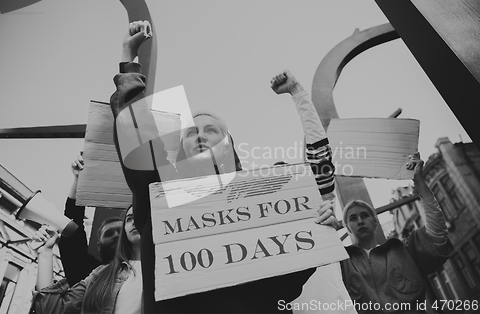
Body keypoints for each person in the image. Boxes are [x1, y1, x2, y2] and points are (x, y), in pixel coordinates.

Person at [109, 21, 344, 313]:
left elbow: (284, 285)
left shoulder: (262, 199)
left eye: (211, 130)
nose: (201, 136)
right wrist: (129, 62)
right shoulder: (159, 194)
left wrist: (316, 229)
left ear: (229, 145)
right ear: (179, 151)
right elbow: (138, 137)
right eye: (191, 132)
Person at [338, 153, 453, 313]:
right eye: (353, 218)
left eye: (364, 215)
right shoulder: (342, 263)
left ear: (375, 221)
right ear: (348, 227)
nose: (360, 221)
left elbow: (437, 235)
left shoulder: (404, 250)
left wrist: (420, 183)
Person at [32, 205, 142, 314]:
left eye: (139, 216)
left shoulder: (158, 267)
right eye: (129, 219)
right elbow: (52, 310)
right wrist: (45, 252)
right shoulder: (100, 274)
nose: (116, 236)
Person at [58, 153, 122, 286]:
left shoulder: (146, 272)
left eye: (121, 232)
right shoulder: (86, 272)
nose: (116, 235)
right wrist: (79, 180)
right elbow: (72, 229)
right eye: (109, 233)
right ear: (99, 245)